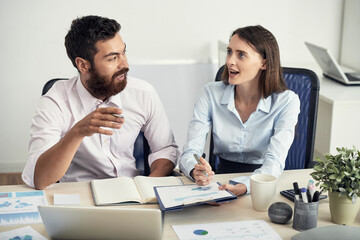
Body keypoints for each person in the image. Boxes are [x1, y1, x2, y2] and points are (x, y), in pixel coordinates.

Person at [22, 15, 179, 190]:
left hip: (132, 192)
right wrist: (77, 132)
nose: (124, 64)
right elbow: (40, 179)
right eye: (112, 58)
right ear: (83, 65)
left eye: (123, 52)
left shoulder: (143, 93)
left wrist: (148, 187)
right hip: (80, 196)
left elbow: (164, 149)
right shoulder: (55, 101)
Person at [179, 25, 300, 197]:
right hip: (219, 181)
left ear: (264, 63)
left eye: (241, 55)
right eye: (229, 52)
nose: (229, 61)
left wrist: (245, 186)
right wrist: (194, 170)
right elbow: (190, 152)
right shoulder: (209, 93)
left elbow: (274, 162)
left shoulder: (287, 101)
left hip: (262, 184)